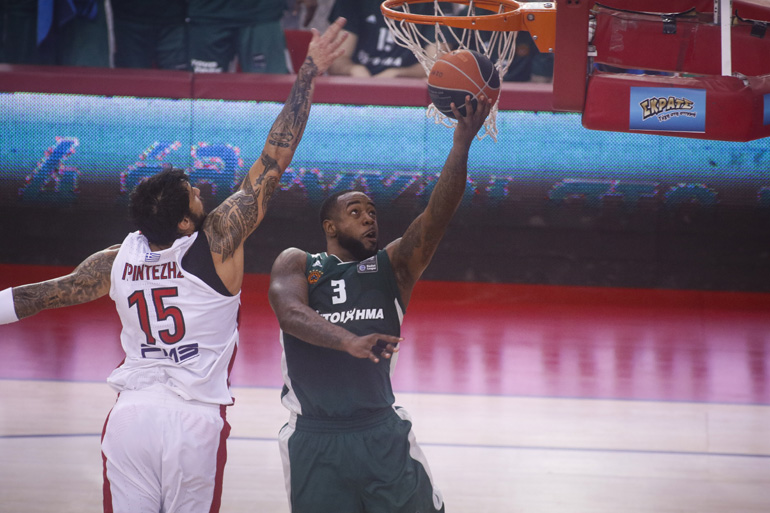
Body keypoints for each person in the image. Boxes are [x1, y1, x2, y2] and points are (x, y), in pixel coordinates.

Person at [0, 18, 348, 513]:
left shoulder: (117, 259)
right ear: (186, 222)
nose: (202, 190)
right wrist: (308, 71)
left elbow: (38, 295)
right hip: (194, 422)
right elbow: (275, 159)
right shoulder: (217, 242)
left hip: (131, 418)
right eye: (194, 194)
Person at [268, 93, 493, 512]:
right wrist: (347, 341)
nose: (369, 218)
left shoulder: (393, 267)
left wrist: (461, 144)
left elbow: (437, 216)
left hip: (380, 433)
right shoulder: (297, 262)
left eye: (372, 212)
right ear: (330, 226)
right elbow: (291, 314)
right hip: (313, 437)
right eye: (356, 212)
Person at [326, 0, 440, 78]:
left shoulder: (435, 4)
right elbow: (337, 60)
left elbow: (436, 66)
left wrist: (398, 74)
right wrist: (352, 69)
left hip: (408, 93)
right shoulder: (352, 3)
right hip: (357, 90)